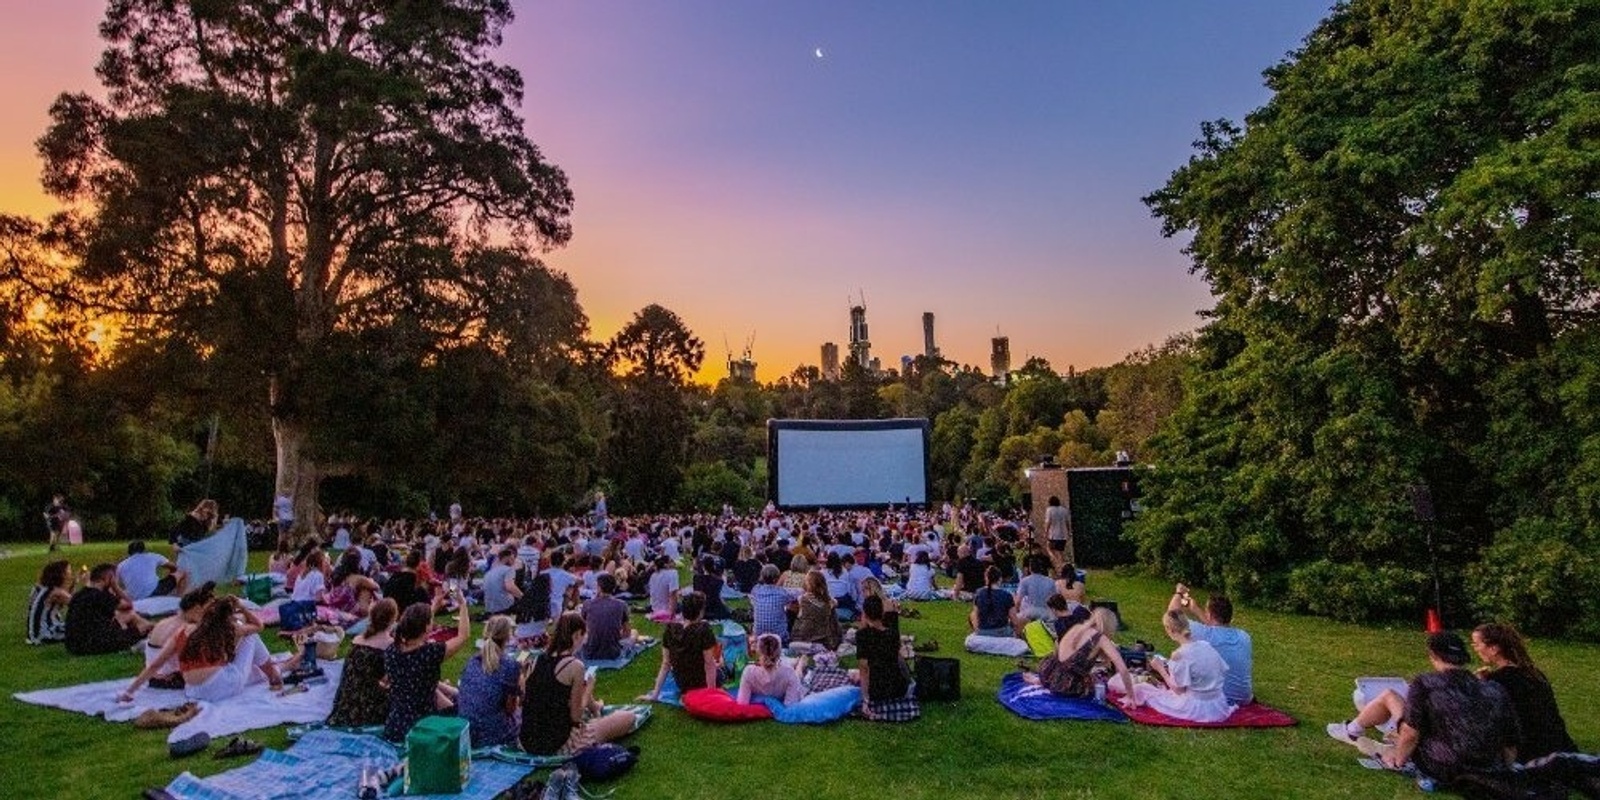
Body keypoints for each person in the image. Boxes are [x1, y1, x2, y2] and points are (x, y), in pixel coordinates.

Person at [1326, 631, 1519, 788]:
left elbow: (1411, 732)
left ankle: (1364, 737)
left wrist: (1399, 763)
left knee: (1392, 701)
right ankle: (1362, 734)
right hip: (1488, 768)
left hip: (1445, 767)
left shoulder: (1426, 683)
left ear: (1434, 655)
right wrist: (1505, 770)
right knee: (1394, 702)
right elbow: (1510, 739)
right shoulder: (1493, 688)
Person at [120, 595, 285, 702]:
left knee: (244, 666)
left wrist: (129, 692)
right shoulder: (231, 629)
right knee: (252, 637)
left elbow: (155, 665)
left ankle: (275, 670)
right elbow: (259, 625)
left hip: (193, 692)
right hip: (220, 687)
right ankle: (274, 674)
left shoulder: (182, 632)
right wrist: (242, 607)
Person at [519, 612, 639, 755]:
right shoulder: (575, 666)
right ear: (576, 635)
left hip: (527, 740)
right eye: (584, 635)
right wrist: (588, 688)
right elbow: (576, 717)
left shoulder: (535, 661)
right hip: (559, 744)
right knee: (628, 718)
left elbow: (532, 699)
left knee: (592, 715)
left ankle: (596, 710)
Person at [1471, 623, 1577, 762]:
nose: (1475, 648)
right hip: (1557, 744)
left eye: (1477, 644)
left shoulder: (1498, 681)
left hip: (1528, 752)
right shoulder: (1534, 674)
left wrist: (1478, 685)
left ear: (1494, 648)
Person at [383, 589, 471, 741]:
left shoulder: (392, 649)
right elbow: (463, 635)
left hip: (395, 724)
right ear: (426, 628)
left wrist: (434, 605)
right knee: (460, 710)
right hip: (423, 726)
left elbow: (416, 622)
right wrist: (462, 604)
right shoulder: (429, 653)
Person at [1132, 610, 1235, 723]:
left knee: (1143, 691)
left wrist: (1160, 668)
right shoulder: (1205, 645)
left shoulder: (1179, 656)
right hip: (1218, 704)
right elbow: (1221, 670)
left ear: (1169, 630)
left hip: (1198, 708)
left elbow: (1178, 690)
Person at [1025, 607, 1138, 705]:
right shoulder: (1100, 638)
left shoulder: (1077, 628)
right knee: (1098, 683)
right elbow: (1122, 669)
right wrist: (1131, 695)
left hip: (1048, 675)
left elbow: (1059, 652)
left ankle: (1044, 683)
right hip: (1067, 686)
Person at [1167, 583, 1253, 705]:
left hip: (1217, 699)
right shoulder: (1244, 636)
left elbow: (1172, 615)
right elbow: (1217, 626)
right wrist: (1196, 610)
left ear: (1210, 615)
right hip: (1243, 698)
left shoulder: (1204, 634)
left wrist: (1179, 593)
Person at [327, 598, 398, 727]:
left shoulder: (357, 640)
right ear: (392, 620)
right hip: (368, 707)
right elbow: (394, 678)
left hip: (346, 701)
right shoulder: (389, 645)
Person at [642, 591, 721, 700]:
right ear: (701, 612)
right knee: (721, 665)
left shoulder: (670, 629)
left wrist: (655, 694)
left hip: (683, 683)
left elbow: (666, 664)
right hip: (701, 683)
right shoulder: (704, 630)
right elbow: (709, 664)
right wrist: (711, 695)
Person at [457, 615, 522, 748]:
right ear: (508, 637)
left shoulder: (472, 661)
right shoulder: (510, 666)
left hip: (466, 731)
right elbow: (511, 709)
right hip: (491, 735)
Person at [65, 564, 154, 655]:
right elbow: (129, 604)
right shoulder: (100, 596)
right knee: (144, 627)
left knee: (129, 615)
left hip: (74, 645)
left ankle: (149, 634)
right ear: (109, 578)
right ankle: (155, 635)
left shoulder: (79, 595)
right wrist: (115, 587)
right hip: (95, 643)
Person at [855, 595, 916, 721]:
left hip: (877, 692)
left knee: (856, 675)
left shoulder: (862, 635)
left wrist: (866, 699)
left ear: (865, 614)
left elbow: (864, 669)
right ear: (882, 613)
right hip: (898, 688)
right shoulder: (892, 634)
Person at [736, 633, 805, 706]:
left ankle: (800, 662)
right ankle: (800, 662)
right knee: (797, 673)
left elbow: (742, 702)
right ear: (779, 653)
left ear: (758, 652)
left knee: (797, 672)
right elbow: (790, 704)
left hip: (783, 669)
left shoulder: (749, 671)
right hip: (785, 671)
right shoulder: (789, 672)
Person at [580, 573, 632, 662]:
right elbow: (627, 631)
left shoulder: (587, 604)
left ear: (599, 587)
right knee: (634, 633)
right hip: (613, 652)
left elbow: (581, 628)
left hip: (590, 651)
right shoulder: (621, 604)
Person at [790, 570, 843, 651]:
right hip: (824, 637)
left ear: (809, 584)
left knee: (790, 612)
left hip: (804, 637)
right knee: (832, 612)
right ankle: (835, 636)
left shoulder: (802, 599)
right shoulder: (829, 601)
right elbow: (835, 602)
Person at [117, 540, 187, 601]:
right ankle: (178, 600)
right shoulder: (152, 556)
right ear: (144, 550)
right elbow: (174, 567)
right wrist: (170, 576)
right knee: (181, 572)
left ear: (129, 552)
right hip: (156, 593)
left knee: (126, 591)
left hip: (135, 598)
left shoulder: (121, 565)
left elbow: (118, 586)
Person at [27, 560, 73, 645]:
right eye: (69, 570)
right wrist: (87, 583)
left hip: (36, 632)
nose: (71, 573)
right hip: (46, 632)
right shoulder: (56, 592)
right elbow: (79, 604)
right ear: (62, 574)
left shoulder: (43, 588)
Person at [749, 564, 793, 644]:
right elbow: (792, 596)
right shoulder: (782, 593)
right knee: (790, 611)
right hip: (779, 635)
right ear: (776, 578)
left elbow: (752, 600)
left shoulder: (756, 590)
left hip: (759, 633)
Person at [969, 565, 1016, 638]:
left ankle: (978, 634)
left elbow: (975, 615)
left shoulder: (979, 593)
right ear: (1000, 579)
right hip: (1002, 633)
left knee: (972, 614)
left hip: (983, 632)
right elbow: (1014, 620)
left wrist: (978, 631)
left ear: (986, 578)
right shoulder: (1007, 595)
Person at [1013, 554, 1056, 629]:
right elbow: (1054, 600)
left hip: (1030, 612)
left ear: (1030, 569)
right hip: (1046, 612)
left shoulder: (1025, 581)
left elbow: (1018, 601)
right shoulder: (1050, 581)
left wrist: (1016, 614)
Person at [482, 546, 523, 616]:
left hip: (489, 608)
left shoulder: (490, 572)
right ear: (507, 558)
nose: (514, 561)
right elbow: (510, 587)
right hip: (504, 608)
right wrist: (523, 597)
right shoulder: (508, 570)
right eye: (513, 558)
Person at [693, 555, 732, 621]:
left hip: (702, 607)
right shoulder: (719, 581)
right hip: (714, 607)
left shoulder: (697, 578)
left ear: (703, 567)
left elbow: (696, 594)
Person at [1044, 495, 1072, 566]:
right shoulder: (1064, 510)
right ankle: (1061, 564)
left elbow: (1048, 522)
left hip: (1053, 535)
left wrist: (1046, 532)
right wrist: (1068, 532)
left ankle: (1060, 564)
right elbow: (1067, 522)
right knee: (1060, 552)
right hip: (1063, 535)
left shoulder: (1049, 510)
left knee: (1050, 549)